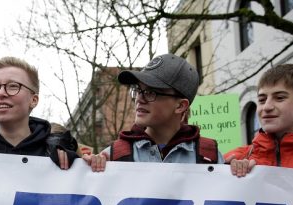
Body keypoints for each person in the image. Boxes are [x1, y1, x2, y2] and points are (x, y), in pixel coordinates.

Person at [83, 53, 223, 172]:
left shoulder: (210, 156)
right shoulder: (113, 156)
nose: (139, 99)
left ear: (180, 106)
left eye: (150, 92)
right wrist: (80, 165)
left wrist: (241, 173)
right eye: (138, 90)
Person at [0, 56, 78, 169]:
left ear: (33, 100)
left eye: (13, 86)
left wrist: (94, 166)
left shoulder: (58, 153)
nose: (0, 93)